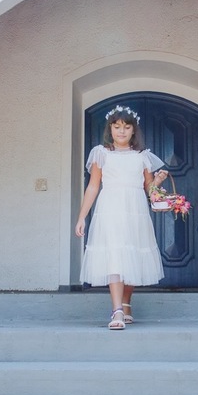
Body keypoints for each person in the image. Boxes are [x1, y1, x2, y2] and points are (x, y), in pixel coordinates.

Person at [75, 105, 168, 329]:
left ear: (133, 131)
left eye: (126, 127)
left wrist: (157, 182)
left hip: (135, 211)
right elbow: (93, 186)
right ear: (110, 129)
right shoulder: (101, 154)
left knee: (132, 257)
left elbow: (149, 189)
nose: (122, 131)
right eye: (117, 127)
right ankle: (116, 310)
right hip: (110, 210)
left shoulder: (142, 157)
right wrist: (81, 217)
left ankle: (126, 302)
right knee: (115, 256)